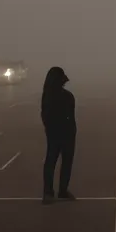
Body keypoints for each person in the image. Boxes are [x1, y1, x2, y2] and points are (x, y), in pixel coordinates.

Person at [41, 66, 76, 204]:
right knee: (57, 162)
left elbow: (45, 116)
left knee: (56, 162)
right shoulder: (65, 97)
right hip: (59, 133)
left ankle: (56, 191)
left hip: (59, 133)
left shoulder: (51, 96)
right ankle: (53, 191)